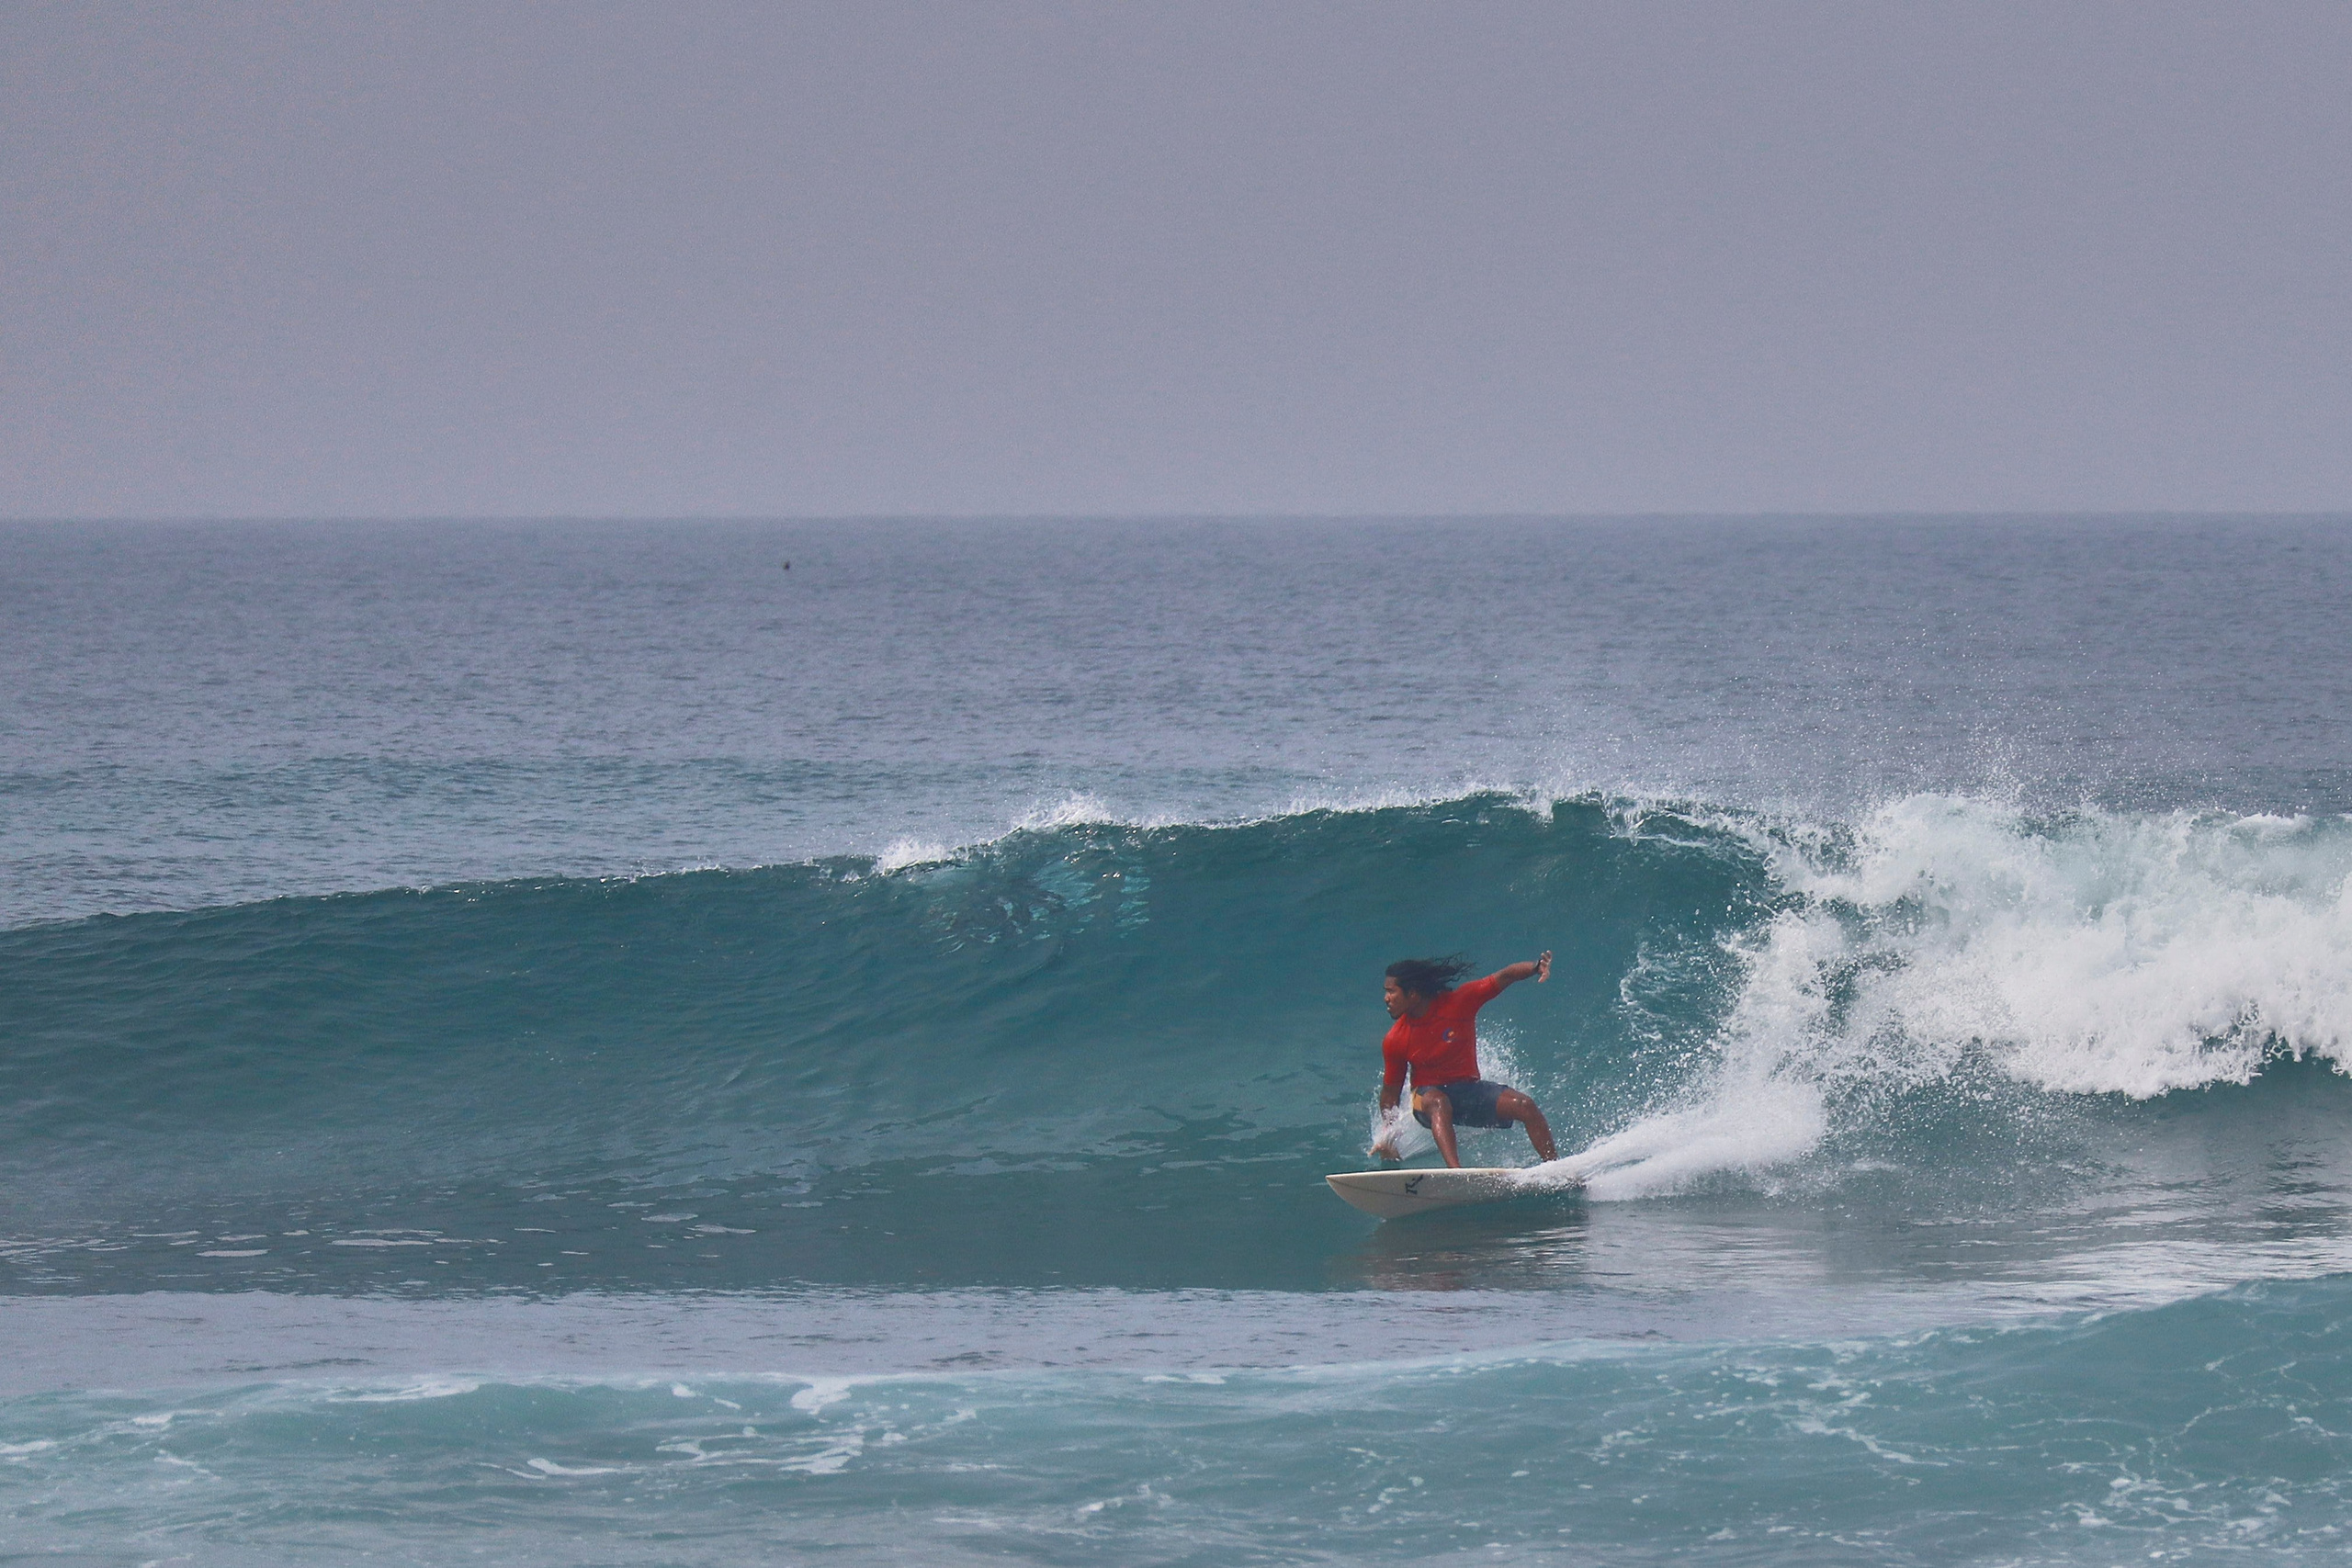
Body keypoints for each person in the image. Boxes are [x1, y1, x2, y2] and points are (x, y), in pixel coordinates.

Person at [1369, 953, 1557, 1168]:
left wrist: (1535, 967)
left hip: (1467, 1092)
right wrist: (1389, 1135)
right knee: (1439, 1102)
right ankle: (1456, 1172)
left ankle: (1555, 1168)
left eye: (1391, 991)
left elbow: (1505, 976)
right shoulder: (1396, 1038)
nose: (1386, 998)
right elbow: (1391, 1094)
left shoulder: (1460, 1002)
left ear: (1412, 993)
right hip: (1425, 1100)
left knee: (1525, 1105)